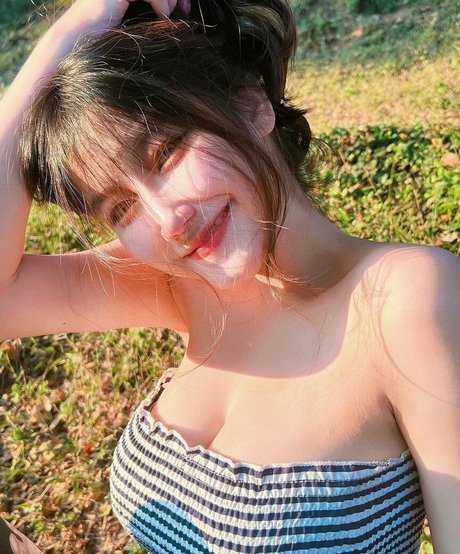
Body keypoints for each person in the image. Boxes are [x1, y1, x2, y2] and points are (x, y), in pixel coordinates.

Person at [0, 0, 459, 552]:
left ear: (250, 105)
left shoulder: (402, 299)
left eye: (167, 153)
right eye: (122, 207)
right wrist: (79, 24)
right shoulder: (186, 284)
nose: (168, 220)